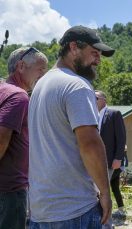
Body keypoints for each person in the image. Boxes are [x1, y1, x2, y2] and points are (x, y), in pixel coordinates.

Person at [28, 25, 115, 228]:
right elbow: (90, 144)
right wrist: (105, 192)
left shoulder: (40, 86)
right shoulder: (76, 85)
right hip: (74, 209)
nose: (98, 60)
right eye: (94, 53)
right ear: (74, 47)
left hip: (41, 210)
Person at [0, 47, 47, 228]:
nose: (44, 75)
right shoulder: (18, 96)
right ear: (21, 66)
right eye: (40, 69)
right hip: (9, 192)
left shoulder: (3, 90)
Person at [95, 90, 126, 228]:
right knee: (97, 193)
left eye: (95, 97)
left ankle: (107, 224)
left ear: (104, 99)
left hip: (109, 161)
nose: (93, 100)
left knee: (104, 191)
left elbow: (121, 137)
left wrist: (118, 158)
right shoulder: (91, 115)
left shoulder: (114, 114)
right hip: (94, 161)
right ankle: (100, 221)